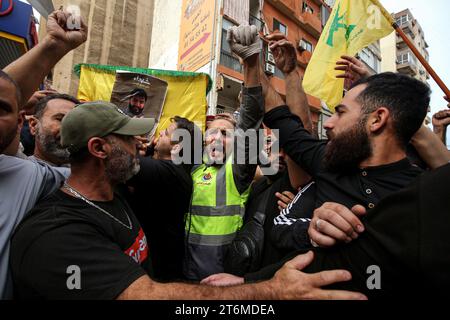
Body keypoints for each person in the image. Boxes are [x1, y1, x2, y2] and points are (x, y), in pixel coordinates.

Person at [10, 101, 366, 300]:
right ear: (99, 148)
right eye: (129, 139)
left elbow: (251, 129)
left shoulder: (117, 197)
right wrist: (273, 291)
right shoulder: (56, 233)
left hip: (225, 274)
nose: (141, 144)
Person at [0, 9, 87, 299]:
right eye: (61, 120)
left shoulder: (49, 178)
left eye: (77, 123)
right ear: (30, 124)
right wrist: (53, 46)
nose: (70, 131)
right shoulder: (18, 169)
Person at [183, 25, 266, 281]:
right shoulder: (191, 167)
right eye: (212, 132)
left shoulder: (236, 171)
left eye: (226, 134)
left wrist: (250, 65)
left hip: (222, 282)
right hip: (183, 278)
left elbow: (250, 119)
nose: (217, 138)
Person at [126, 116, 201, 281]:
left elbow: (121, 162)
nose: (160, 133)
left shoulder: (172, 173)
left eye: (166, 133)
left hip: (158, 270)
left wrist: (126, 141)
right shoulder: (170, 169)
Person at [28, 94, 80, 166]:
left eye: (76, 123)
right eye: (60, 119)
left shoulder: (93, 175)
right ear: (34, 125)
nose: (71, 128)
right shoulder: (15, 171)